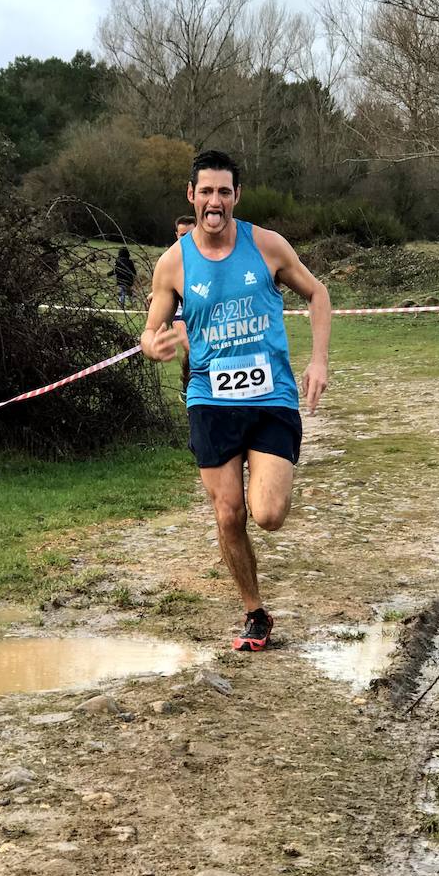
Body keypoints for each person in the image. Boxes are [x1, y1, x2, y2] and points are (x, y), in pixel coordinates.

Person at [140, 151, 331, 651]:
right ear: (191, 195)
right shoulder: (173, 263)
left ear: (236, 196)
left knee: (267, 514)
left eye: (223, 191)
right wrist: (154, 344)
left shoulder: (267, 245)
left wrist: (318, 362)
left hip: (271, 398)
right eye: (206, 191)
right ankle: (254, 612)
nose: (214, 201)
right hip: (210, 398)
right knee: (228, 514)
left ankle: (268, 480)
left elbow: (318, 294)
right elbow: (150, 330)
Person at [172, 216, 195, 396]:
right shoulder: (171, 259)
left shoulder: (208, 255)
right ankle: (189, 388)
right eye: (183, 235)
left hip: (202, 312)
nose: (187, 238)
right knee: (192, 349)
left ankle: (189, 384)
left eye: (191, 234)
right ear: (177, 235)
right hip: (180, 313)